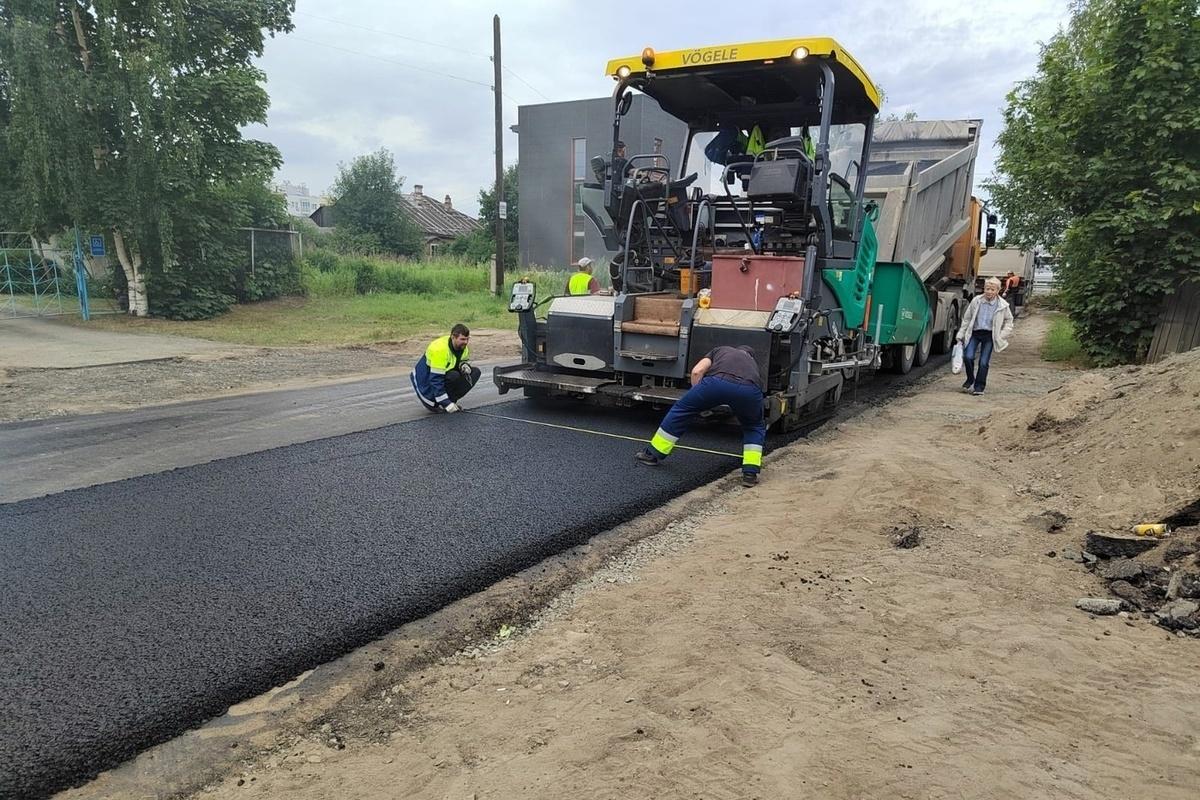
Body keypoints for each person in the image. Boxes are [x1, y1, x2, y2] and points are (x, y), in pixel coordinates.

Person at [634, 345, 766, 487]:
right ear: (750, 355)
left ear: (736, 349)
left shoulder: (720, 350)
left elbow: (697, 371)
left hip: (716, 383)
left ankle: (652, 454)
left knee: (681, 411)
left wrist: (697, 398)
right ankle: (750, 473)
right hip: (750, 390)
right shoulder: (752, 364)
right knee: (754, 426)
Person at [956, 277, 1015, 396]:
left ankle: (979, 387)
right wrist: (961, 334)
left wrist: (1001, 335)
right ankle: (970, 379)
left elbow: (1009, 321)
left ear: (998, 290)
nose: (989, 292)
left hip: (990, 336)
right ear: (984, 289)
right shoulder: (976, 301)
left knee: (983, 362)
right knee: (968, 357)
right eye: (987, 289)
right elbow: (967, 318)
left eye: (992, 289)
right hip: (975, 333)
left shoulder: (1002, 305)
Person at [411, 324, 480, 413]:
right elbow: (435, 380)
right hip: (425, 384)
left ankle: (450, 402)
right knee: (453, 376)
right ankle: (438, 403)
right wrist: (446, 403)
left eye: (467, 339)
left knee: (475, 372)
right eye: (462, 339)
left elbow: (460, 361)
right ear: (453, 337)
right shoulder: (440, 350)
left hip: (443, 376)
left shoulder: (462, 347)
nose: (466, 342)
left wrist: (464, 365)